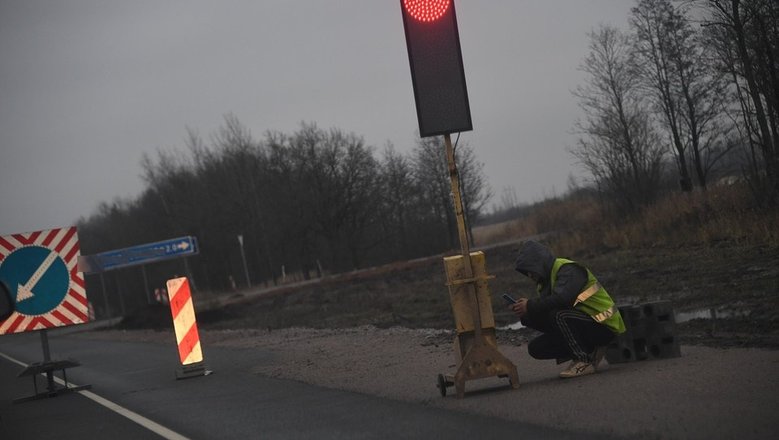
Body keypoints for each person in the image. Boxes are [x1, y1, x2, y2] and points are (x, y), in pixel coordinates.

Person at [508, 240, 625, 378]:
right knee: (535, 344)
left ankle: (584, 360)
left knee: (558, 315)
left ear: (539, 263)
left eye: (530, 271)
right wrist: (526, 311)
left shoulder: (568, 269)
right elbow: (546, 308)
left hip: (604, 324)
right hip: (584, 324)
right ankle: (584, 351)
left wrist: (530, 305)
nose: (530, 276)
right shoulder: (545, 282)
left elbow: (563, 299)